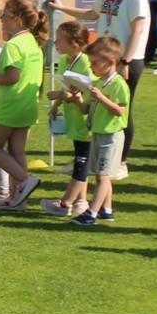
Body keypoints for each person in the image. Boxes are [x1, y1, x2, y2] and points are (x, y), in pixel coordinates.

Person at [48, 0, 148, 169]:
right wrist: (62, 8)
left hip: (124, 60)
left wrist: (126, 61)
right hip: (105, 58)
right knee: (97, 104)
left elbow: (139, 29)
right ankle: (97, 158)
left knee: (119, 107)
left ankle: (119, 161)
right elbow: (92, 14)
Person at [0, 0, 47, 211]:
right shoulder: (33, 42)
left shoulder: (14, 45)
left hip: (9, 105)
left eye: (5, 15)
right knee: (17, 151)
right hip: (27, 105)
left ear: (17, 18)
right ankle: (18, 199)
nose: (1, 19)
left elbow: (11, 77)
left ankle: (24, 181)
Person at [70, 35, 129, 226]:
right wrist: (78, 97)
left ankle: (92, 213)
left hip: (111, 136)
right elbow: (85, 109)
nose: (92, 67)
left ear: (111, 62)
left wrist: (102, 97)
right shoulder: (97, 82)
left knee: (103, 176)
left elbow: (120, 110)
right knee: (100, 173)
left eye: (95, 63)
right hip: (97, 133)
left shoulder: (118, 84)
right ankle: (107, 209)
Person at [41, 21, 94, 219]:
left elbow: (86, 99)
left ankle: (66, 203)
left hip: (86, 123)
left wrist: (62, 97)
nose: (56, 43)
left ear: (75, 44)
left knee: (81, 162)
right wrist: (56, 106)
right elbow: (68, 88)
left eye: (60, 40)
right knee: (80, 158)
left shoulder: (86, 65)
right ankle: (82, 201)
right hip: (74, 121)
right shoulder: (64, 61)